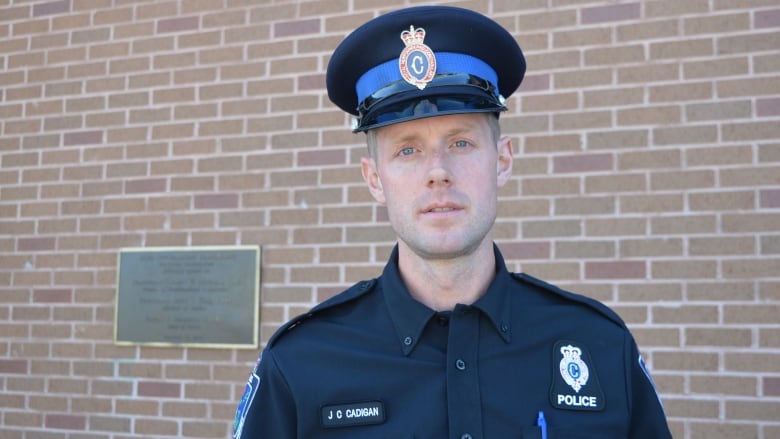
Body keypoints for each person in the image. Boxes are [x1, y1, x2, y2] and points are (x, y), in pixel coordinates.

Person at [233, 5, 672, 438]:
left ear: (502, 161)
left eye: (461, 143)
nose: (437, 171)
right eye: (407, 150)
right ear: (374, 179)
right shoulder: (300, 364)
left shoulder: (599, 346)